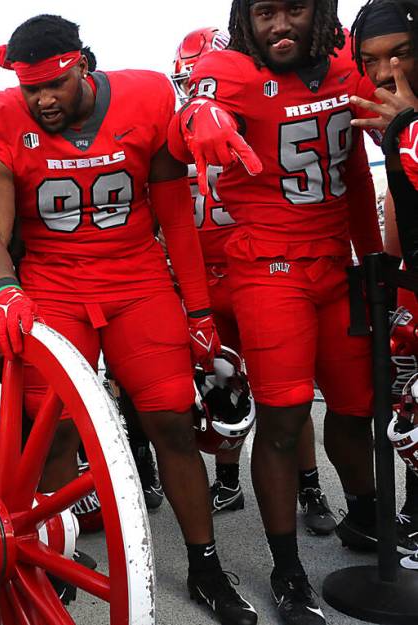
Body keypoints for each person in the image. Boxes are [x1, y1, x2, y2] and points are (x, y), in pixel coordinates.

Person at [0, 15, 255, 625]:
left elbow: (175, 211)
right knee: (54, 427)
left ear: (84, 66)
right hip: (53, 281)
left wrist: (198, 307)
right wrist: (4, 289)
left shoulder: (146, 94)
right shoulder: (0, 118)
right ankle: (49, 555)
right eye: (30, 88)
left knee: (171, 418)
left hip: (136, 277)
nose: (42, 100)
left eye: (54, 84)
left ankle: (205, 565)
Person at [167, 1, 399, 621]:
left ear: (321, 12)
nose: (279, 27)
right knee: (283, 418)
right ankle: (288, 569)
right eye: (265, 13)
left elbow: (358, 163)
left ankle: (367, 516)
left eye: (294, 10)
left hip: (339, 262)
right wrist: (203, 114)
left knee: (356, 409)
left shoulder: (351, 62)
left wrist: (374, 258)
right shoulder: (232, 66)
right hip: (268, 266)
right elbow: (193, 108)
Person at [171, 25, 338, 534]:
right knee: (221, 389)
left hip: (255, 270)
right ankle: (228, 480)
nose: (192, 90)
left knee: (283, 394)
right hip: (206, 280)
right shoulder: (185, 127)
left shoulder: (258, 114)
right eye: (184, 82)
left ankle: (309, 484)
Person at [349, 0, 418, 544]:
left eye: (400, 55)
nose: (385, 73)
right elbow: (400, 193)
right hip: (413, 269)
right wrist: (396, 270)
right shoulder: (393, 105)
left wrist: (409, 131)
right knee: (409, 409)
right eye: (372, 60)